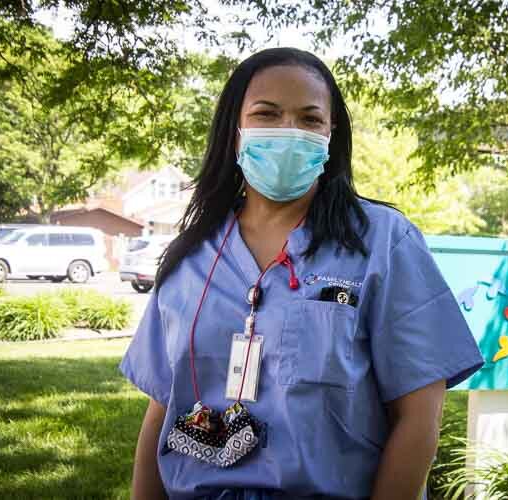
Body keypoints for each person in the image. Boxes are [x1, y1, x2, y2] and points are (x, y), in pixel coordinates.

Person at [120, 47, 484, 500]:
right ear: (235, 131)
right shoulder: (191, 256)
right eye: (267, 114)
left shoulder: (383, 243)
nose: (289, 132)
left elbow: (420, 417)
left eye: (310, 120)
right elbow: (160, 410)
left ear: (332, 135)